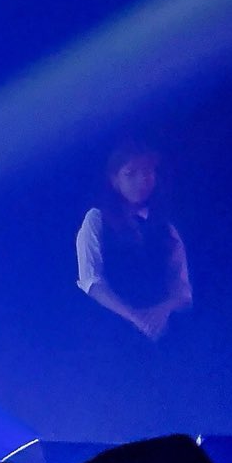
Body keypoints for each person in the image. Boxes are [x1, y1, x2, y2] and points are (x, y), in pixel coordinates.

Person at [76, 141, 191, 344]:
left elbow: (181, 287)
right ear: (115, 180)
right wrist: (134, 317)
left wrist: (161, 311)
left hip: (161, 332)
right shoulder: (97, 220)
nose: (142, 180)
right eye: (131, 174)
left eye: (147, 172)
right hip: (110, 332)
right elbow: (91, 281)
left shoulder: (164, 227)